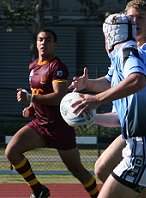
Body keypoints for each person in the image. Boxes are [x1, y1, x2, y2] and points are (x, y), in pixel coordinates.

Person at [69, 0, 146, 187]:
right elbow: (111, 82)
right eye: (130, 18)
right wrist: (88, 84)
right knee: (106, 171)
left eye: (140, 18)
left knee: (132, 179)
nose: (135, 22)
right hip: (131, 123)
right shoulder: (123, 50)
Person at [5, 28, 99, 198]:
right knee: (11, 152)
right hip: (39, 125)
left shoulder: (57, 67)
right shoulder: (33, 67)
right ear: (36, 43)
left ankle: (98, 195)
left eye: (48, 40)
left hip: (60, 128)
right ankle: (38, 189)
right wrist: (31, 107)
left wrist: (30, 97)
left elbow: (58, 97)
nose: (43, 43)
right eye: (40, 39)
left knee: (77, 170)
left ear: (54, 44)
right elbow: (38, 94)